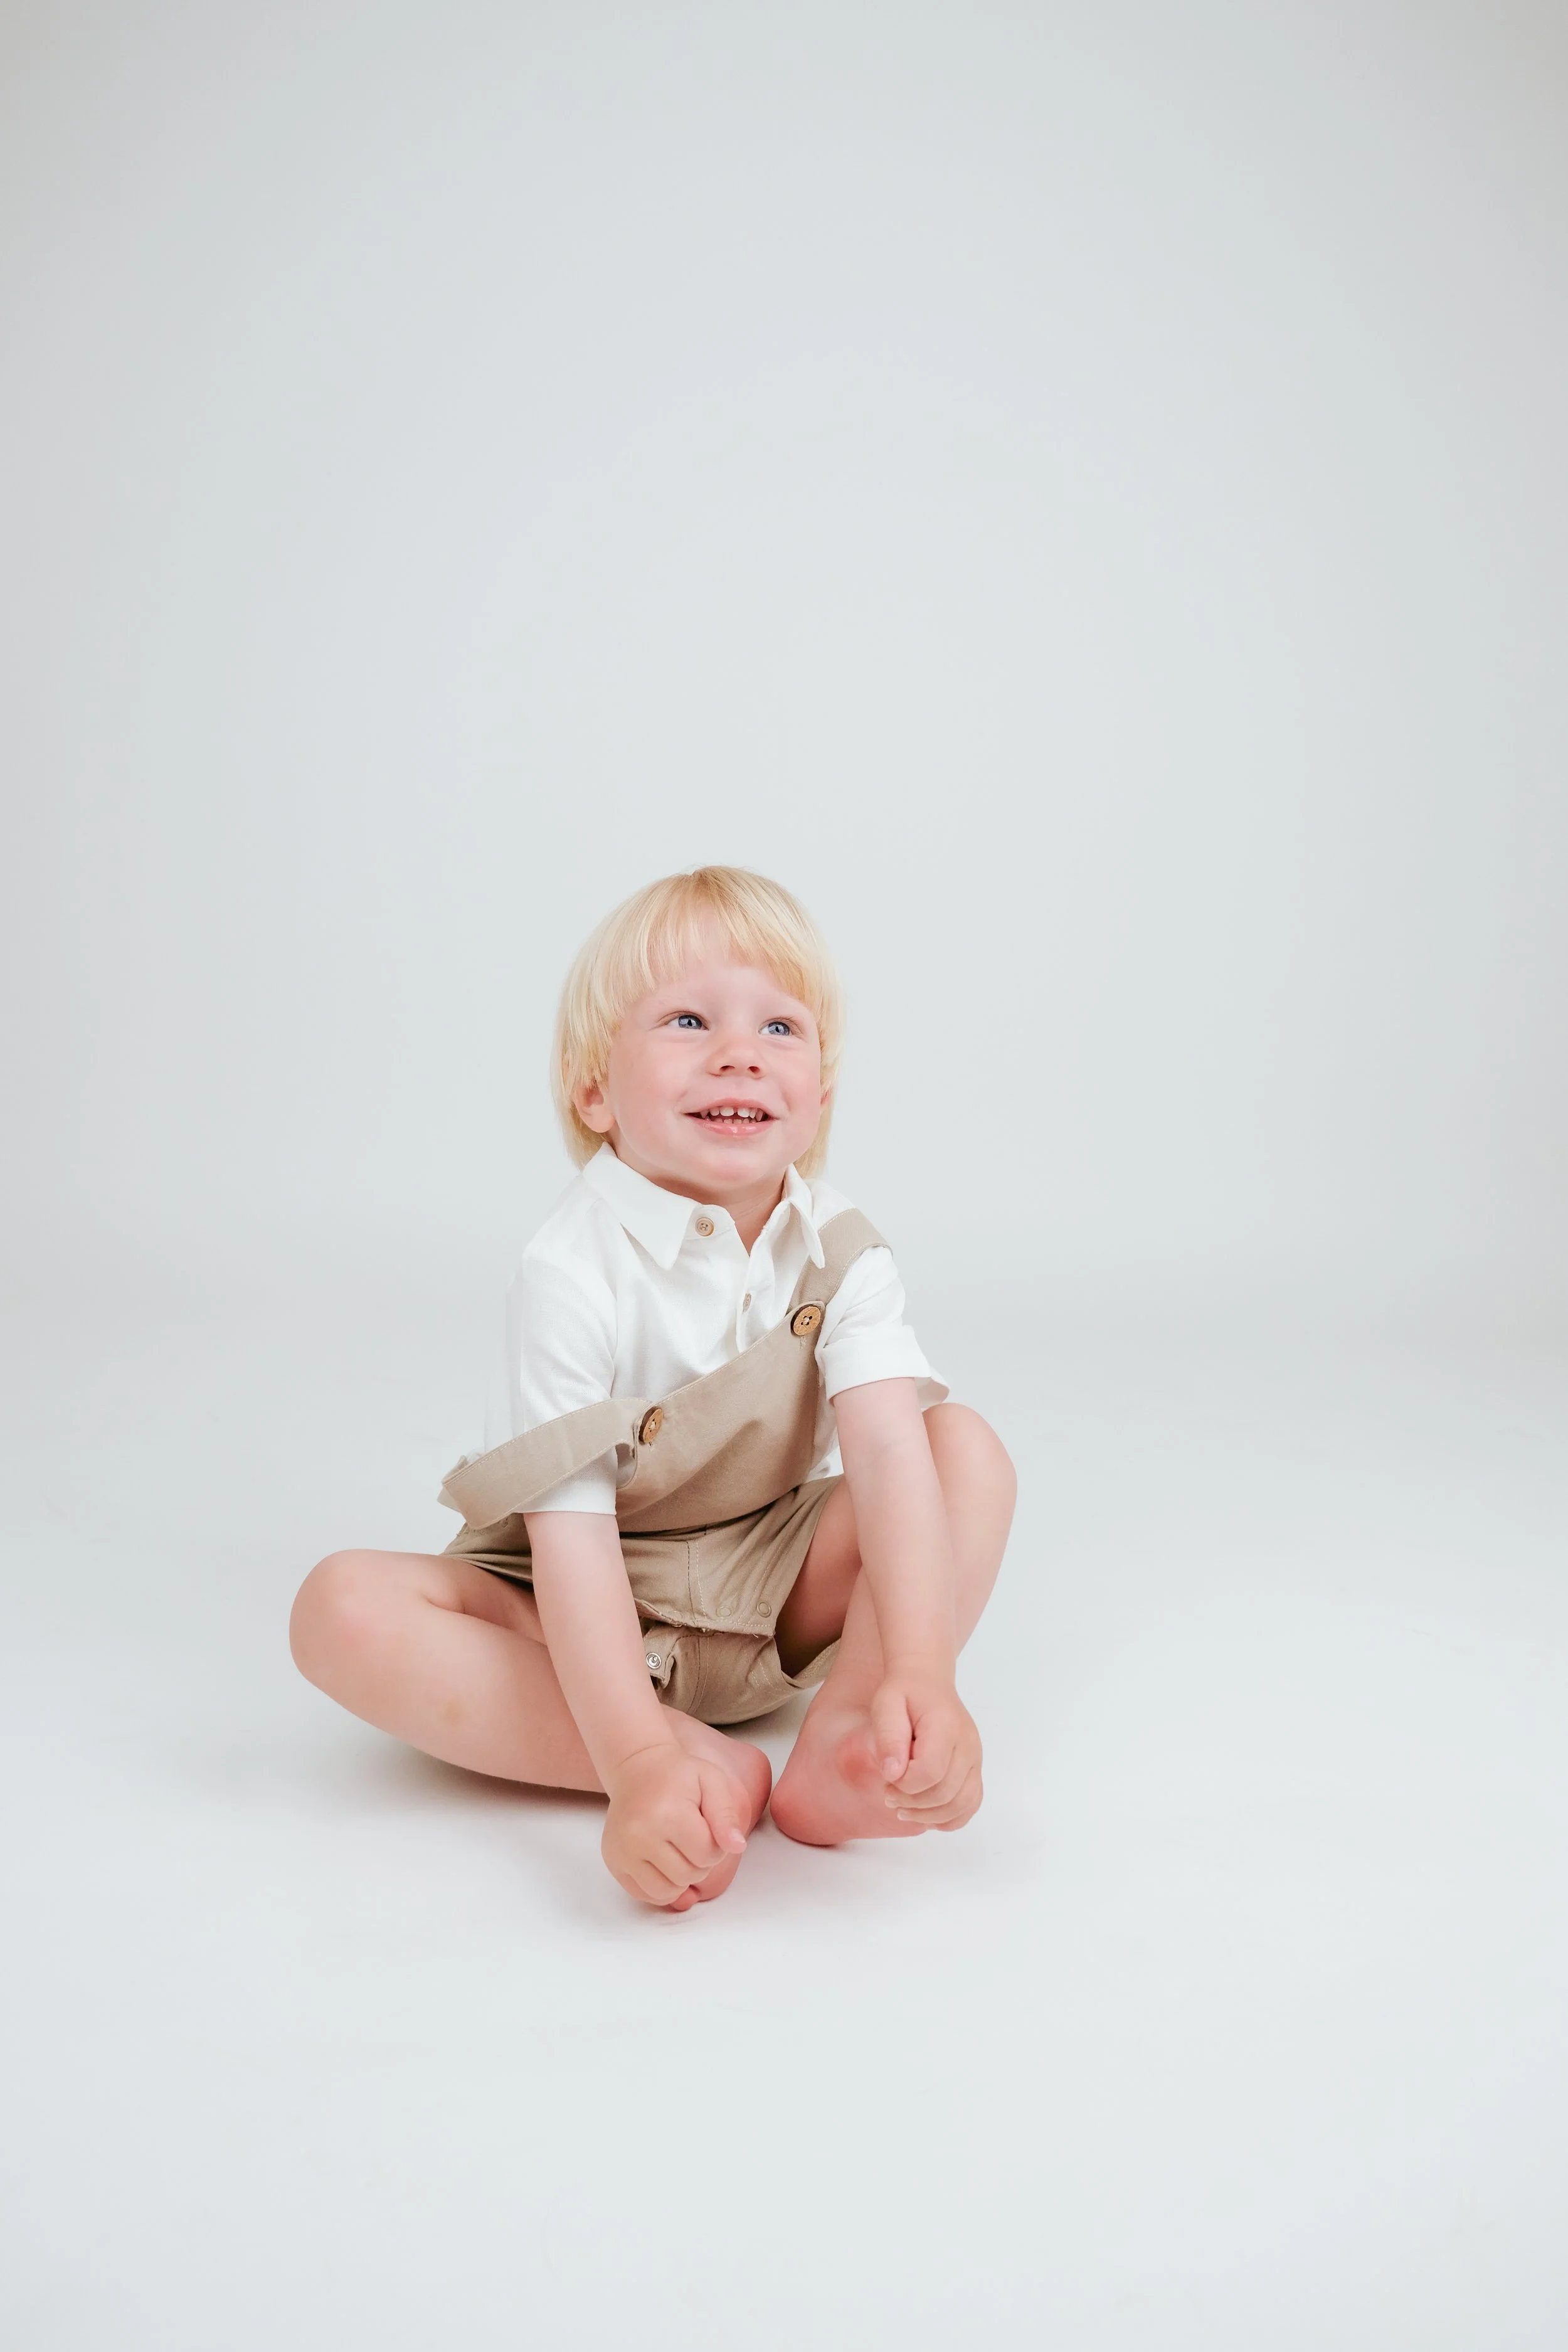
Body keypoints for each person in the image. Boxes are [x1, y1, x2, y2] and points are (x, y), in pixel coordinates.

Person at [290, 866, 1015, 1910]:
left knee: (964, 1449)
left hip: (766, 1590)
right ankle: (680, 1762)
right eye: (687, 1019)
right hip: (572, 1605)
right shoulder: (569, 1267)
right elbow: (573, 1537)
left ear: (819, 1093)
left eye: (780, 1028)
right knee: (340, 1609)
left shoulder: (842, 1251)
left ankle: (855, 1735)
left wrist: (921, 1666)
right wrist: (634, 1761)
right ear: (596, 1091)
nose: (739, 1053)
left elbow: (890, 1459)